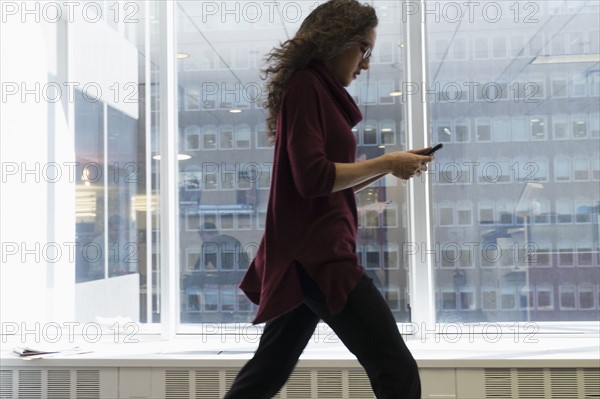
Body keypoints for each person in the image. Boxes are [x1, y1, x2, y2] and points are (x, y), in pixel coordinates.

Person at [224, 1, 432, 398]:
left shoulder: (314, 89)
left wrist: (387, 167)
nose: (366, 63)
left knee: (267, 371)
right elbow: (314, 178)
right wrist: (387, 161)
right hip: (319, 258)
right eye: (364, 49)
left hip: (305, 255)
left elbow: (317, 187)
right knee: (396, 369)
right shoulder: (307, 86)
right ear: (336, 40)